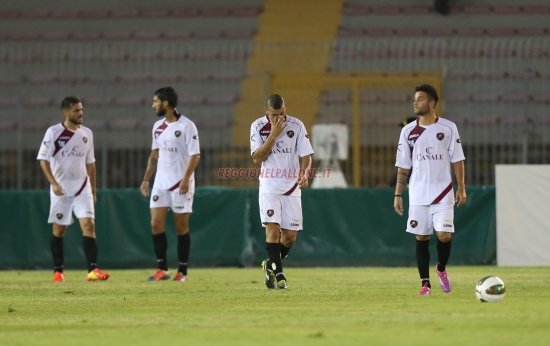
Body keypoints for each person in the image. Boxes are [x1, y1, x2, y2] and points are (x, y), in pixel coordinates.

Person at [393, 84, 466, 296]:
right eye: (415, 99)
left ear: (432, 103)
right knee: (422, 238)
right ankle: (425, 284)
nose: (415, 102)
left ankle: (441, 268)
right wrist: (398, 193)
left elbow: (458, 159)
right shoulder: (407, 131)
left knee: (444, 236)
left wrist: (461, 187)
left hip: (443, 192)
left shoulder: (448, 128)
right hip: (417, 194)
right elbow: (403, 165)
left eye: (420, 99)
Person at [37, 96, 110, 282]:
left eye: (81, 110)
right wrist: (53, 183)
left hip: (82, 189)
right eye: (76, 110)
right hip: (61, 189)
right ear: (66, 112)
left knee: (89, 225)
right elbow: (43, 160)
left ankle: (93, 270)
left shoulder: (87, 134)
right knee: (59, 230)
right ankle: (58, 271)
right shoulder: (54, 132)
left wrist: (93, 190)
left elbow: (90, 164)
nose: (80, 114)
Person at [250, 94, 314, 289]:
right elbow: (257, 158)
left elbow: (306, 156)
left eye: (283, 113)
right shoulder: (257, 127)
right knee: (273, 229)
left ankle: (270, 264)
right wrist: (273, 134)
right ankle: (279, 275)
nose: (280, 118)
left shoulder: (296, 125)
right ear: (266, 113)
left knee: (289, 236)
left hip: (292, 186)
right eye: (275, 115)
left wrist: (305, 173)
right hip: (269, 185)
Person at [140, 87, 200, 282]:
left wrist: (185, 178)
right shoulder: (157, 126)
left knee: (180, 227)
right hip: (160, 184)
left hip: (181, 185)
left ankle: (182, 271)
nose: (153, 105)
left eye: (155, 101)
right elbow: (154, 155)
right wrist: (146, 179)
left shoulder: (186, 126)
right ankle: (162, 269)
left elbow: (195, 155)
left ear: (165, 103)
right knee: (156, 224)